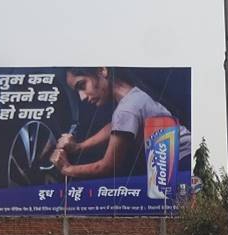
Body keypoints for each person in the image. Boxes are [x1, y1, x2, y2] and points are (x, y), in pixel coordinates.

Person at [51, 67, 192, 179]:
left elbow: (107, 166)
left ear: (102, 70)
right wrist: (79, 147)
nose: (82, 97)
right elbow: (115, 126)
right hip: (184, 159)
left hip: (183, 164)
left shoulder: (126, 109)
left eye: (82, 85)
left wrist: (67, 169)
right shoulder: (133, 95)